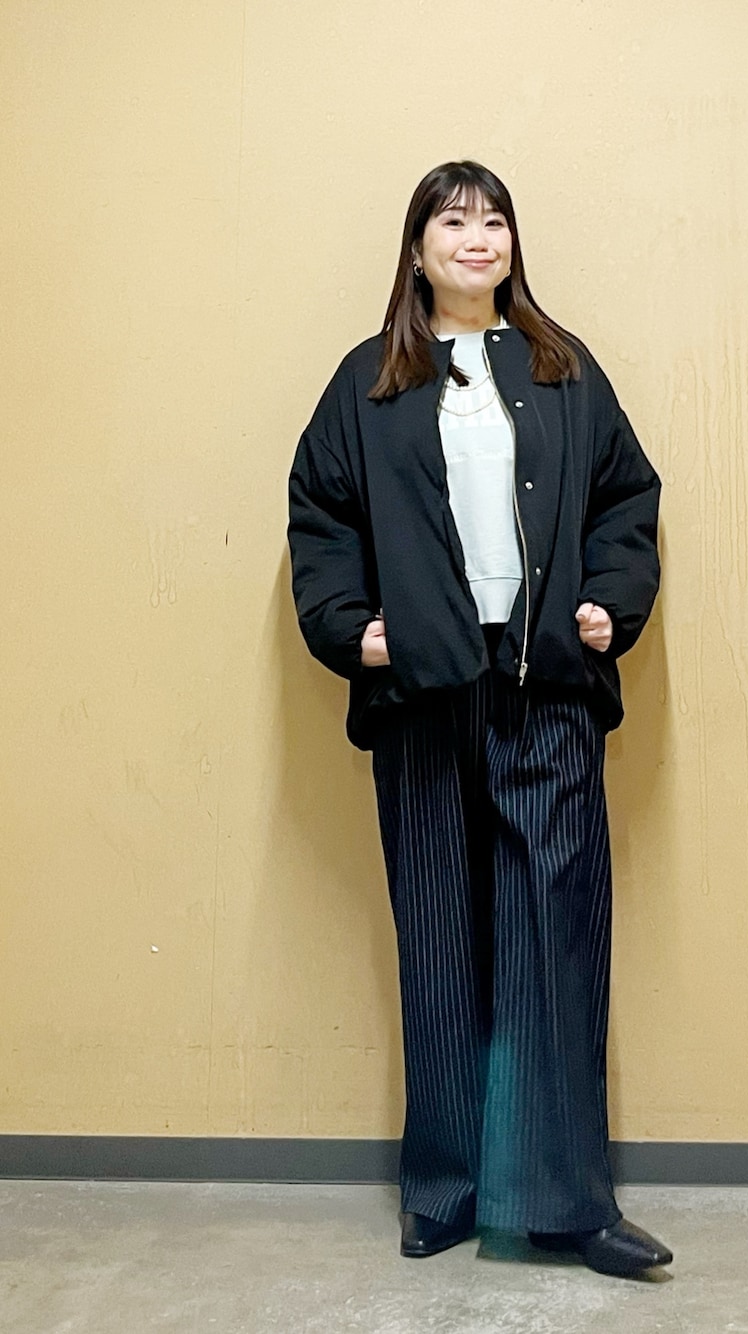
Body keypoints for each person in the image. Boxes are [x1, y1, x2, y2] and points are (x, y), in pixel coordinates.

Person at [287, 161, 671, 1278]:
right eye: (453, 221)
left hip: (542, 681)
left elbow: (626, 497)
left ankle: (563, 1203)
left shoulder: (562, 368)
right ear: (417, 250)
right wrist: (352, 628)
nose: (477, 237)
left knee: (554, 938)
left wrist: (612, 602)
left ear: (512, 245)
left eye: (494, 220)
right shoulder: (369, 382)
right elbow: (319, 512)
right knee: (441, 936)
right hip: (423, 691)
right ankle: (447, 1189)